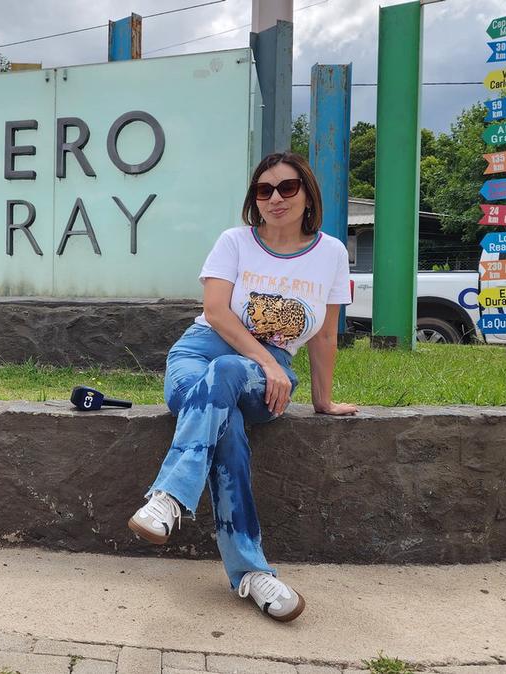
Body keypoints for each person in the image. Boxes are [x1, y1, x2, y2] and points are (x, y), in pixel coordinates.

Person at [128, 151, 358, 623]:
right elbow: (215, 313)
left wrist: (323, 400)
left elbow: (328, 335)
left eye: (287, 188)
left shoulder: (332, 253)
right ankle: (252, 573)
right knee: (225, 420)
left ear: (308, 194)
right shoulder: (234, 241)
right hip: (197, 355)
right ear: (254, 199)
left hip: (264, 374)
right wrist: (260, 359)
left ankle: (169, 496)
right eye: (264, 190)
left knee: (231, 376)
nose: (275, 198)